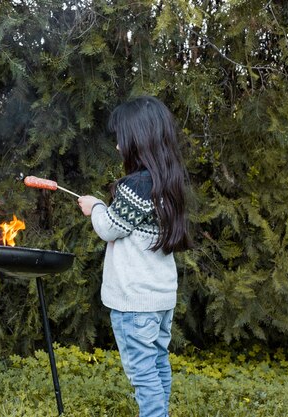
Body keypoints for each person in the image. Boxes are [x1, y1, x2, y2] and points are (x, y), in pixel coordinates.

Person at [77, 96, 192, 417]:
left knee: (143, 373)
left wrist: (95, 206)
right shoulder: (168, 183)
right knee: (157, 363)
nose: (117, 147)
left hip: (135, 304)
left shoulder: (135, 187)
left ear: (138, 141)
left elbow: (109, 228)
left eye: (120, 140)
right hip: (160, 300)